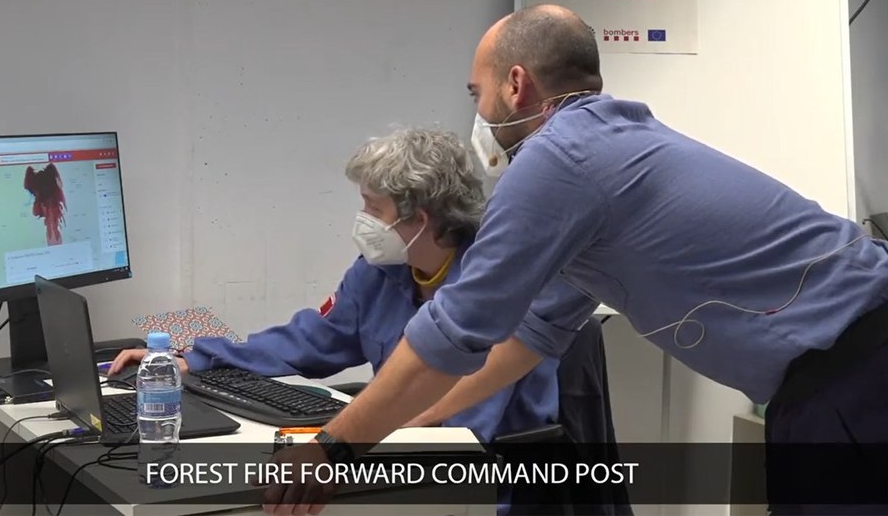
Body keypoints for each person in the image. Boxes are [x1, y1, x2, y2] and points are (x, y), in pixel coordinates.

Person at [262, 4, 888, 516]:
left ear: (516, 85)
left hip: (857, 371)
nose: (478, 113)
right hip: (843, 369)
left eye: (478, 93)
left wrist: (332, 448)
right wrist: (424, 416)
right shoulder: (605, 148)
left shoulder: (559, 160)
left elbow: (455, 331)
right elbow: (533, 334)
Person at [109, 127, 570, 445]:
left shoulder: (493, 284)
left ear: (419, 218)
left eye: (373, 207)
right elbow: (312, 339)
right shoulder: (381, 271)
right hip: (399, 444)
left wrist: (344, 441)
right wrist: (193, 359)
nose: (363, 220)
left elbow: (457, 427)